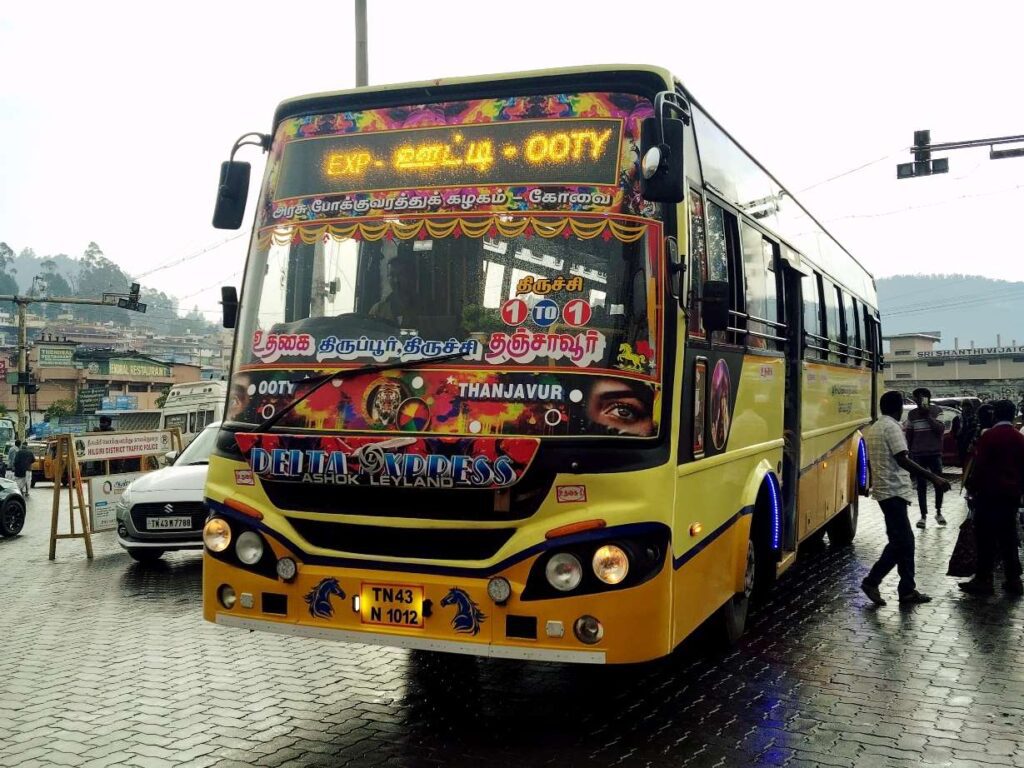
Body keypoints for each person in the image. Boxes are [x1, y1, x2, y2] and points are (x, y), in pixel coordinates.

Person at [861, 390, 951, 606]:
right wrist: (934, 477)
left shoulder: (876, 427)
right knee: (902, 542)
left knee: (903, 542)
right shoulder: (891, 427)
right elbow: (903, 459)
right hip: (893, 491)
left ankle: (907, 590)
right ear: (898, 407)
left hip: (886, 491)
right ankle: (873, 581)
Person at [959, 399, 1024, 596]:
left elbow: (980, 466)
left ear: (995, 414)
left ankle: (983, 580)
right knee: (1009, 537)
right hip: (1011, 496)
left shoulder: (989, 437)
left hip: (989, 494)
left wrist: (972, 488)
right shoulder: (1018, 438)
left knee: (985, 538)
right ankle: (1014, 580)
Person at [905, 387, 947, 528]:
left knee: (938, 484)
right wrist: (909, 452)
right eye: (916, 398)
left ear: (928, 398)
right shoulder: (912, 414)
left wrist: (928, 416)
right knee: (921, 486)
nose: (918, 401)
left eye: (921, 398)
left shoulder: (937, 411)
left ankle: (939, 511)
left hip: (934, 453)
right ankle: (923, 516)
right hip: (918, 454)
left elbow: (940, 430)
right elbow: (909, 435)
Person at [367, 251, 424, 327]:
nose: (396, 280)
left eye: (401, 275)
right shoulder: (378, 310)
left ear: (410, 277)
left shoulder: (423, 307)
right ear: (387, 277)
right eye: (392, 275)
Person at [956, 400, 979, 468]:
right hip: (962, 445)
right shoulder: (958, 419)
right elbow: (955, 434)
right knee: (964, 465)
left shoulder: (975, 418)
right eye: (965, 406)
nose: (967, 409)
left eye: (968, 406)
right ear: (962, 407)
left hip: (972, 445)